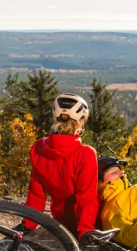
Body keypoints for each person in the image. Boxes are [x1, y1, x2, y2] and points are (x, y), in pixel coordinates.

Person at [24, 93, 100, 240]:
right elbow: (87, 198)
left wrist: (28, 224)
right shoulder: (86, 154)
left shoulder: (39, 148)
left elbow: (36, 194)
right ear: (80, 122)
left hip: (61, 218)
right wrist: (85, 230)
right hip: (85, 222)